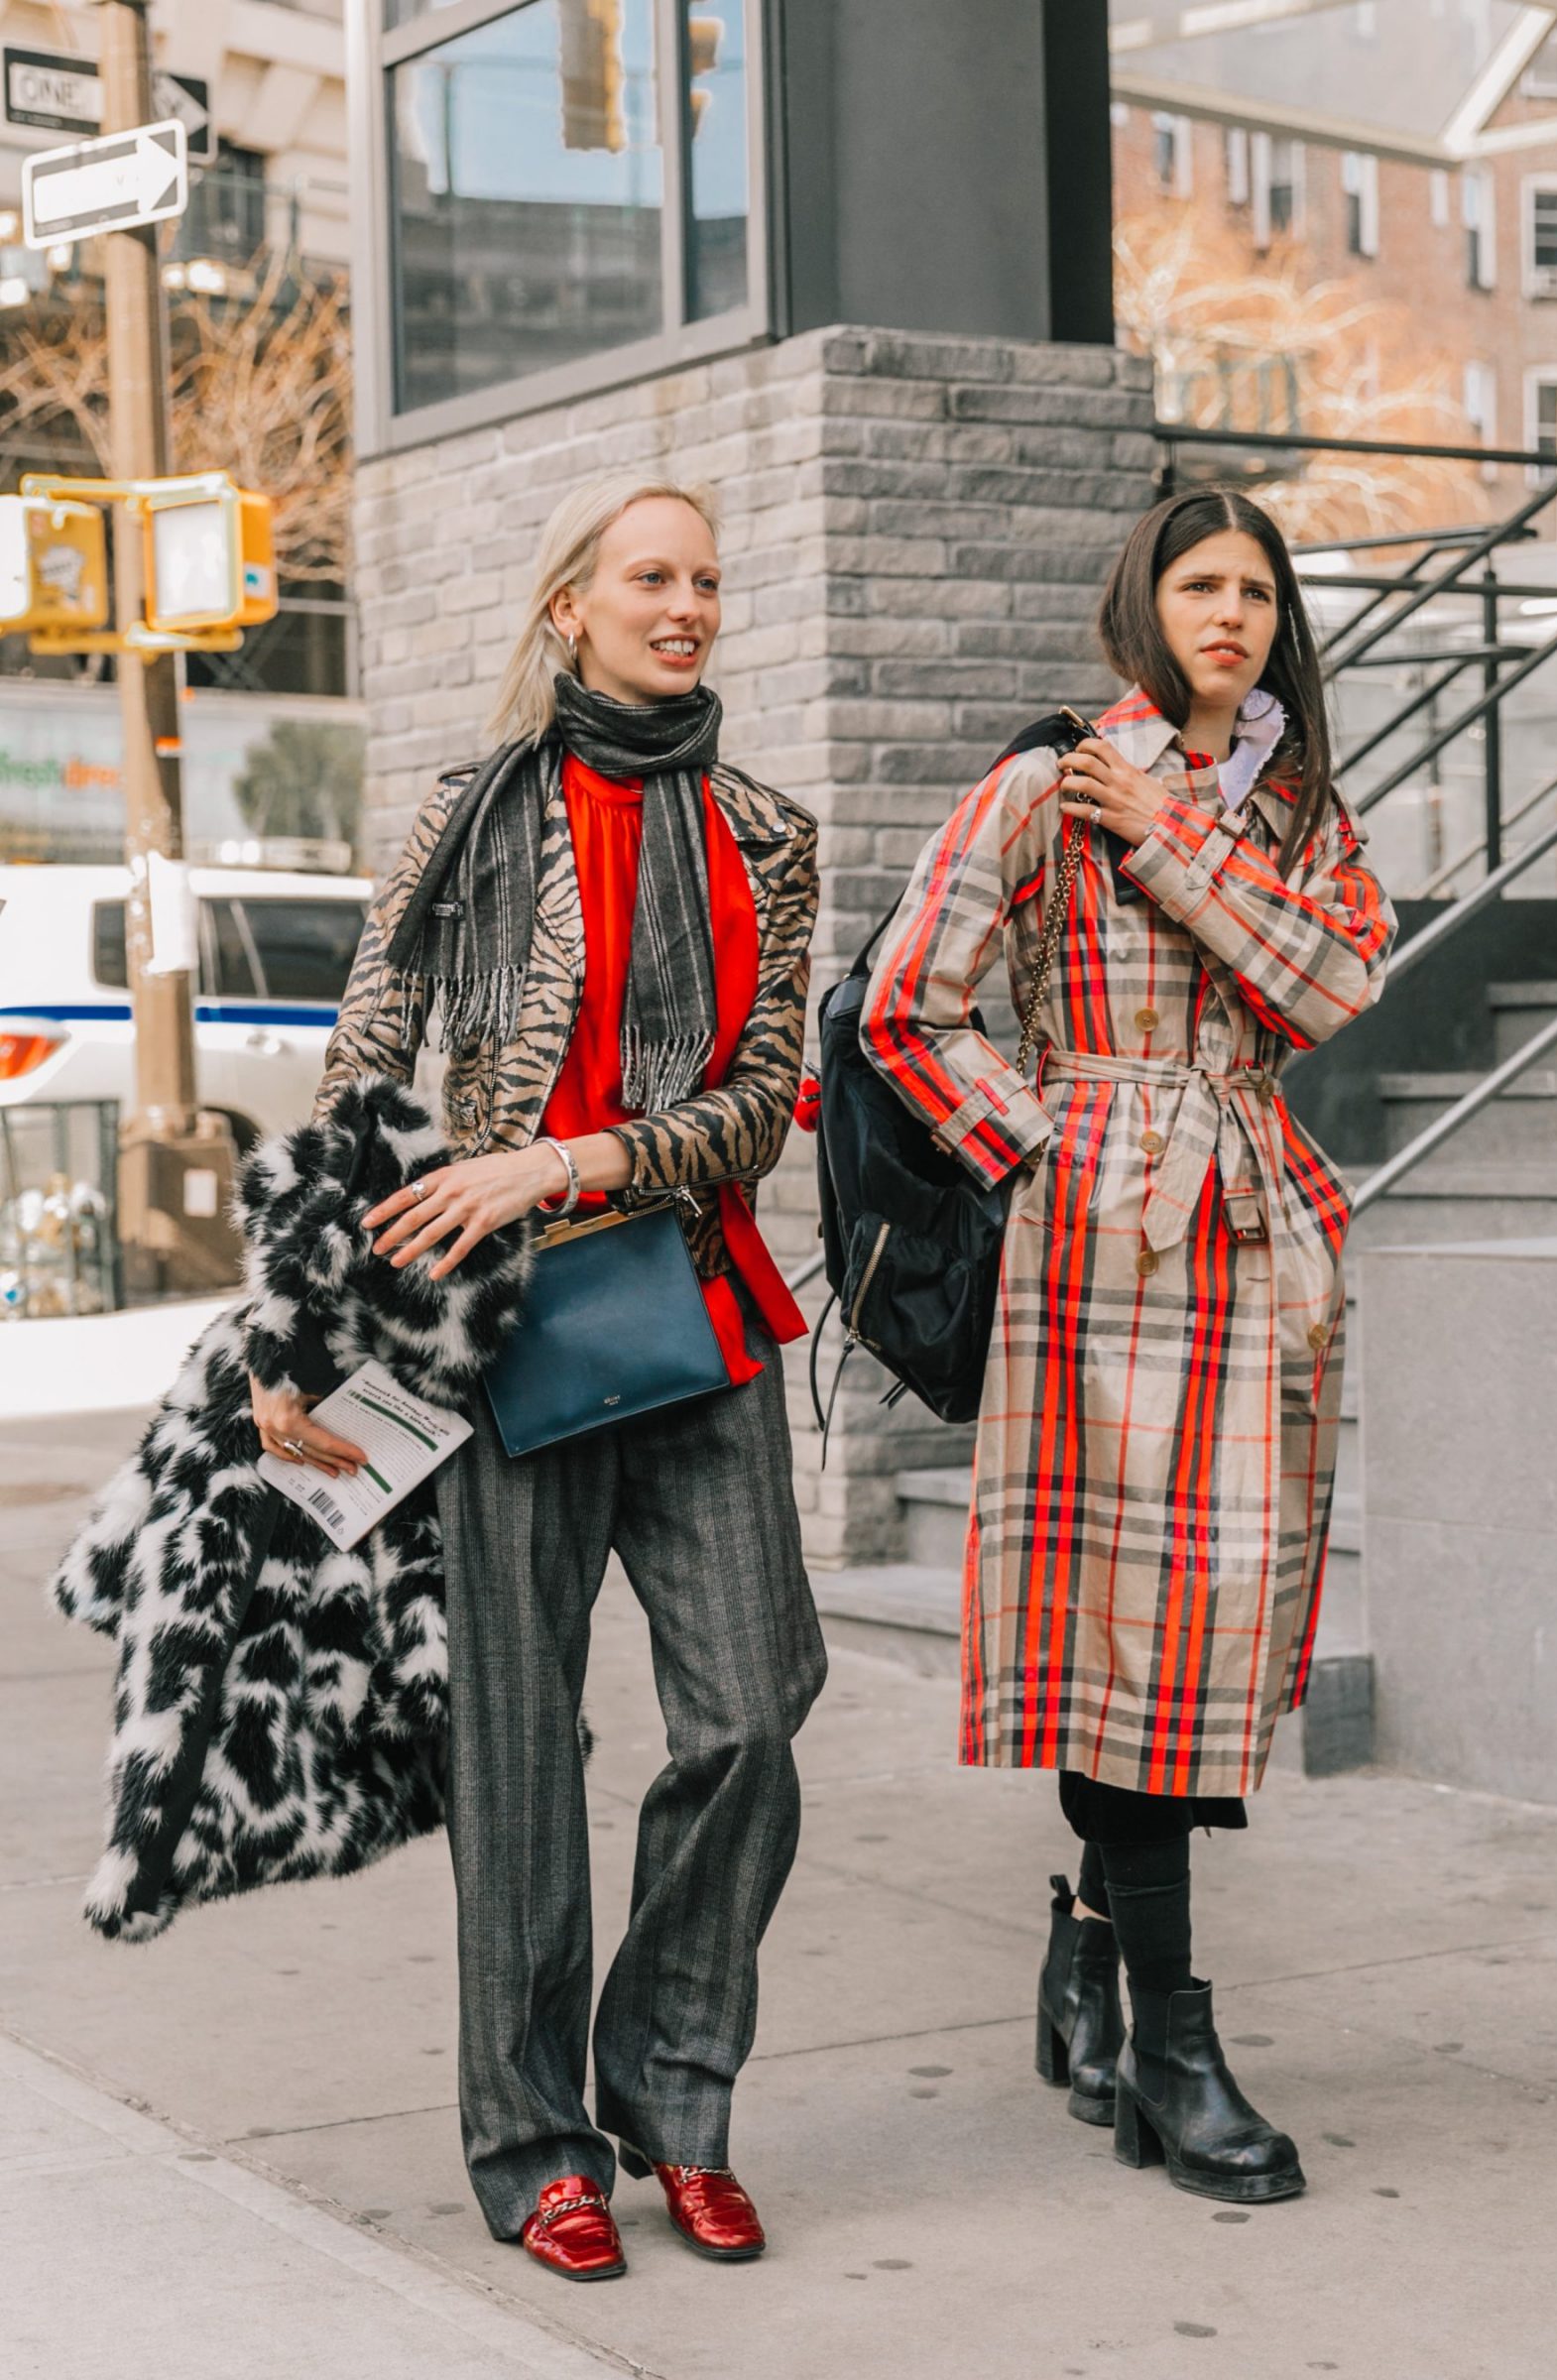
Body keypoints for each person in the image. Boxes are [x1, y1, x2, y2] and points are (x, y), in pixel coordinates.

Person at [247, 471, 827, 2279]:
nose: (688, 605)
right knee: (513, 1754)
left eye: (709, 580)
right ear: (569, 606)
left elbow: (755, 1105)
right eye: (650, 577)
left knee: (751, 1708)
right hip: (481, 1339)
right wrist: (299, 1329)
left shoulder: (768, 834)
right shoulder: (468, 818)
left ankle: (671, 2084)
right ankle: (533, 2144)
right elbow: (361, 1073)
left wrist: (564, 1163)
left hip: (691, 1317)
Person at [862, 486, 1395, 2204]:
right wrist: (1038, 1153)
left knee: (1218, 1628)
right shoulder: (1045, 779)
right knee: (1135, 1630)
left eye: (1253, 589)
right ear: (1143, 600)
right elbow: (903, 999)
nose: (1226, 614)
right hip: (1100, 1247)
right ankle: (1172, 2041)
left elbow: (1329, 990)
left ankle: (1091, 1956)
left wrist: (1170, 840)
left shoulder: (1296, 804)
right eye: (1196, 584)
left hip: (1258, 1231)